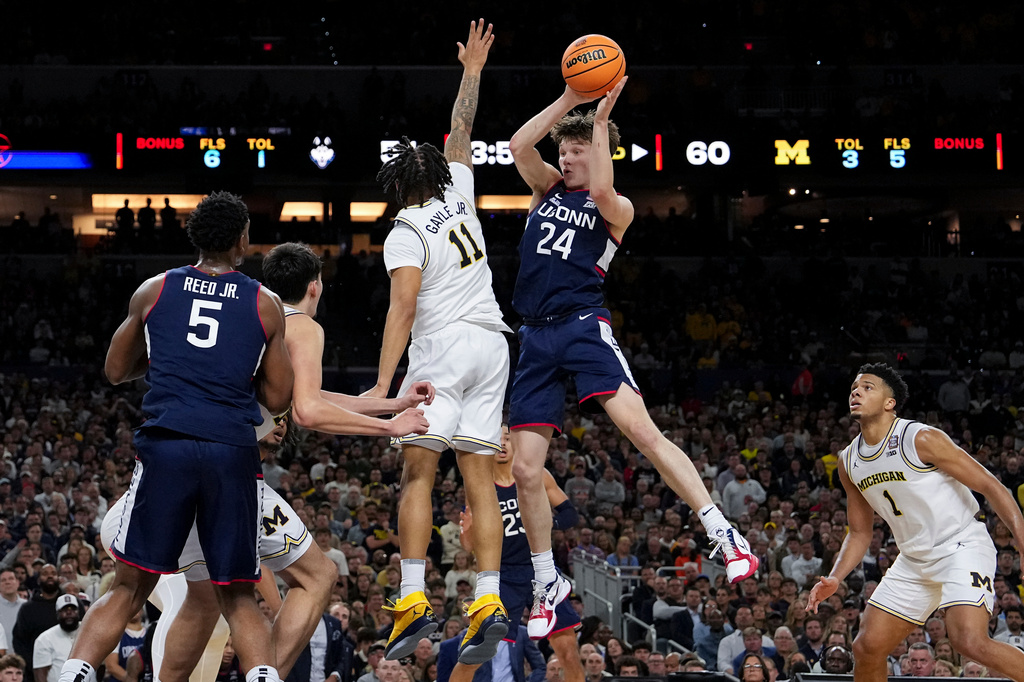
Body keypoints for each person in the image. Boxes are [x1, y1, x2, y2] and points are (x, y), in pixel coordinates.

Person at [505, 73, 756, 639]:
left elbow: (599, 192)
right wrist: (571, 101)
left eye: (576, 153)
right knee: (524, 468)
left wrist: (597, 126)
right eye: (563, 152)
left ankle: (720, 529)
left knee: (641, 433)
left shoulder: (617, 207)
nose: (565, 161)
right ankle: (548, 580)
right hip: (534, 337)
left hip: (582, 328)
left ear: (599, 156)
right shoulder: (545, 190)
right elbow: (521, 145)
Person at [57, 191, 295, 682]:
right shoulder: (265, 303)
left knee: (128, 588)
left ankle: (74, 671)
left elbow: (116, 369)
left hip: (168, 445)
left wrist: (169, 360)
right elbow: (277, 398)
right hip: (230, 450)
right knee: (236, 594)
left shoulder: (155, 289)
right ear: (243, 239)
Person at [367, 19, 511, 665]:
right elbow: (462, 133)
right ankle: (487, 597)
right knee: (479, 472)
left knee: (419, 470)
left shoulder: (405, 227)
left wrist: (380, 385)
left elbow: (401, 311)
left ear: (402, 186)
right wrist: (472, 71)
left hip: (443, 348)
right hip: (494, 343)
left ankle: (414, 597)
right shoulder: (460, 189)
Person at [807, 362, 1024, 682]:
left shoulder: (920, 438)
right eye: (854, 387)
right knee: (867, 647)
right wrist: (836, 577)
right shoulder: (848, 461)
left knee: (968, 641)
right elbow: (859, 532)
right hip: (914, 558)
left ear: (889, 403)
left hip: (960, 544)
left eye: (868, 387)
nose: (856, 391)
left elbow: (991, 486)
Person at [454, 425, 583, 682]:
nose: (502, 444)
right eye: (496, 439)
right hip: (502, 575)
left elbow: (570, 514)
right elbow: (468, 546)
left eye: (507, 438)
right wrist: (466, 531)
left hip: (540, 570)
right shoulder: (479, 483)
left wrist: (546, 525)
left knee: (568, 650)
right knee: (476, 653)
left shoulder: (536, 475)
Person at [34, 595, 81, 682]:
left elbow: (101, 665)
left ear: (78, 612)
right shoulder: (45, 639)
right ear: (57, 614)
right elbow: (40, 673)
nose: (69, 613)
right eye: (64, 610)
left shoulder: (89, 632)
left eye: (72, 609)